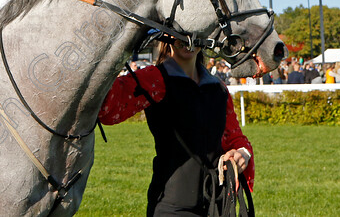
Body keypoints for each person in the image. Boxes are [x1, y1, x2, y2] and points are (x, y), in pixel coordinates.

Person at [99, 38, 254, 215]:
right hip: (171, 206)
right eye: (181, 34)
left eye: (195, 34)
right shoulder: (154, 79)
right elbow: (107, 109)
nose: (188, 40)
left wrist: (242, 154)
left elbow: (234, 137)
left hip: (217, 205)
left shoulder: (218, 87)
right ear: (167, 36)